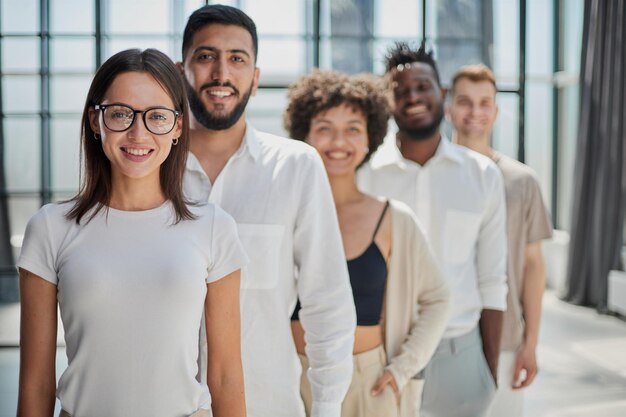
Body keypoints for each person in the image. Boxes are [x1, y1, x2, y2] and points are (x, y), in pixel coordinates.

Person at [16, 48, 247, 417]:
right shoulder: (50, 227)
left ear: (176, 127)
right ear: (96, 120)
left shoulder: (214, 227)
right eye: (121, 113)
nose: (138, 133)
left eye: (156, 116)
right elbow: (36, 384)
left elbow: (225, 377)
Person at [178, 5, 356, 417]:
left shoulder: (296, 167)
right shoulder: (148, 169)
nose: (221, 73)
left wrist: (327, 408)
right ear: (179, 70)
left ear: (255, 79)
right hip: (164, 405)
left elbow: (326, 299)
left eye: (237, 59)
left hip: (268, 405)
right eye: (205, 56)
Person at [285, 70, 451, 417]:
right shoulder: (282, 215)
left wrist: (402, 368)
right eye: (325, 128)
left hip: (369, 382)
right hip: (292, 378)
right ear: (304, 134)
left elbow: (438, 298)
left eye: (353, 129)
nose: (338, 142)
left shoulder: (394, 219)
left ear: (369, 139)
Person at [357, 42, 508, 417]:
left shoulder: (482, 175)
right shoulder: (365, 176)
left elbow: (492, 279)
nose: (413, 96)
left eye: (422, 86)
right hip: (386, 349)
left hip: (459, 349)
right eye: (401, 89)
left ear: (441, 94)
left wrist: (488, 371)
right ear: (387, 101)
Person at [447, 64, 553, 417]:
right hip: (443, 337)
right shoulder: (432, 176)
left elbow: (533, 265)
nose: (474, 112)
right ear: (448, 107)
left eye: (484, 103)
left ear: (496, 110)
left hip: (506, 338)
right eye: (465, 102)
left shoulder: (522, 181)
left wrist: (531, 343)